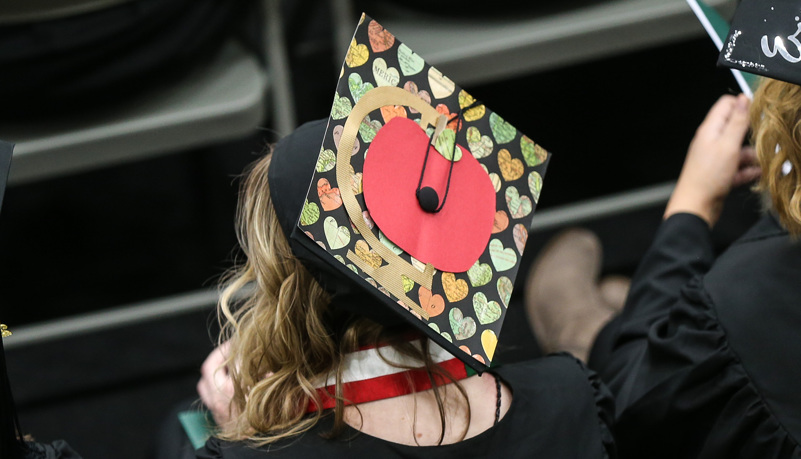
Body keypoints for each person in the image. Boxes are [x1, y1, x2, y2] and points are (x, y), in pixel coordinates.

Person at [189, 119, 617, 458]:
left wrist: (238, 435)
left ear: (288, 287)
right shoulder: (570, 398)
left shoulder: (258, 453)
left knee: (177, 427)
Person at [528, 83, 801, 457]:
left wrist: (692, 205)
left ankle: (577, 329)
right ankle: (620, 310)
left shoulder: (750, 290)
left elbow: (638, 397)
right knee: (638, 303)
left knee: (605, 350)